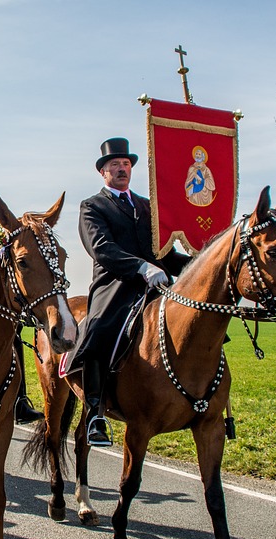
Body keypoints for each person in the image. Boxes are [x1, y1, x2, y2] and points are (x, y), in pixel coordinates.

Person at [72, 137, 191, 447]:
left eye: (126, 164)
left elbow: (165, 254)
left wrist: (198, 263)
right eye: (115, 165)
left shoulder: (148, 206)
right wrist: (142, 267)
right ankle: (95, 411)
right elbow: (102, 249)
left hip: (158, 285)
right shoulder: (92, 206)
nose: (122, 169)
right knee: (98, 330)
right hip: (116, 284)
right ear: (103, 172)